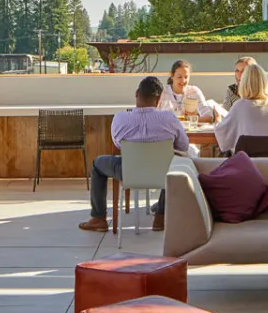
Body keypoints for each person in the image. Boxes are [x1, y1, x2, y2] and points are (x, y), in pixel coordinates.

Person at [78, 76, 191, 234]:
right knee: (177, 164)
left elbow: (118, 145)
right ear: (158, 99)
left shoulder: (120, 118)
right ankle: (161, 215)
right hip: (162, 173)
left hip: (128, 172)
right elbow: (184, 146)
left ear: (137, 93)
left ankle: (99, 218)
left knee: (98, 164)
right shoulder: (169, 119)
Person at [212, 61, 268, 154]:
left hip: (248, 165)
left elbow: (223, 136)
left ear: (244, 83)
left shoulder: (240, 106)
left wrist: (217, 120)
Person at [158, 59, 224, 121]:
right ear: (172, 75)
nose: (183, 81)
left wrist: (192, 119)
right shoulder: (162, 92)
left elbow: (209, 117)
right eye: (179, 77)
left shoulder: (194, 91)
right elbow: (153, 116)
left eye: (186, 77)